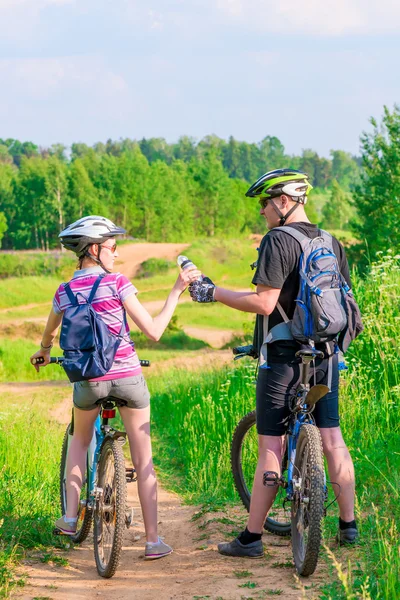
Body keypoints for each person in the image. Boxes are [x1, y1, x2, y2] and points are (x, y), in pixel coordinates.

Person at [189, 169, 358, 558]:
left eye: (264, 202)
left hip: (282, 356)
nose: (262, 211)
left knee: (271, 444)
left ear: (284, 201)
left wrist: (213, 292)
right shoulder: (331, 242)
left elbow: (265, 303)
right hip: (327, 353)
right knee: (332, 438)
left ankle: (251, 538)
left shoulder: (277, 240)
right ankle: (348, 527)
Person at [30, 215, 200, 560]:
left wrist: (45, 351)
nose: (116, 254)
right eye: (111, 247)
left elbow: (49, 334)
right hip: (127, 378)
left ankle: (68, 517)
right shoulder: (118, 283)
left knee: (80, 440)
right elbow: (153, 331)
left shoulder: (63, 292)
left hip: (88, 381)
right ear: (93, 250)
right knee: (144, 456)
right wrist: (176, 290)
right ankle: (153, 541)